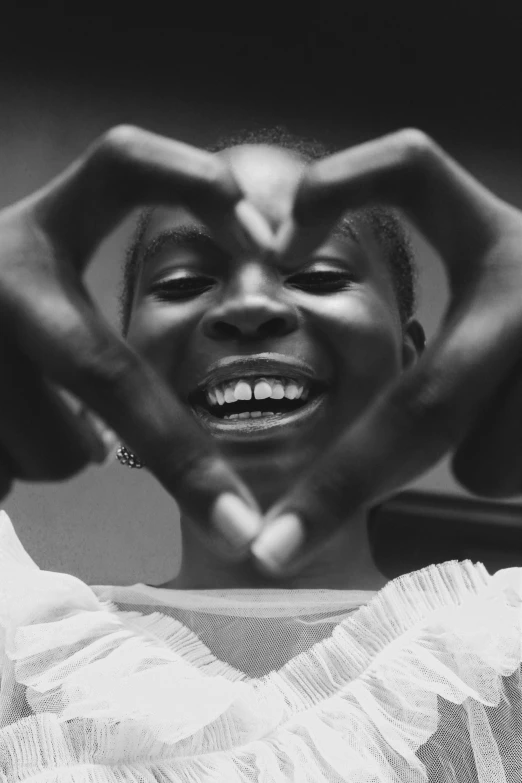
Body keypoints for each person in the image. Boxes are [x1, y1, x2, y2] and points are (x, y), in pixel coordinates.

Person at [0, 125, 520, 781]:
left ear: (413, 366)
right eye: (185, 281)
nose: (249, 305)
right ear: (119, 370)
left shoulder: (499, 655)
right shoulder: (22, 649)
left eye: (319, 273)